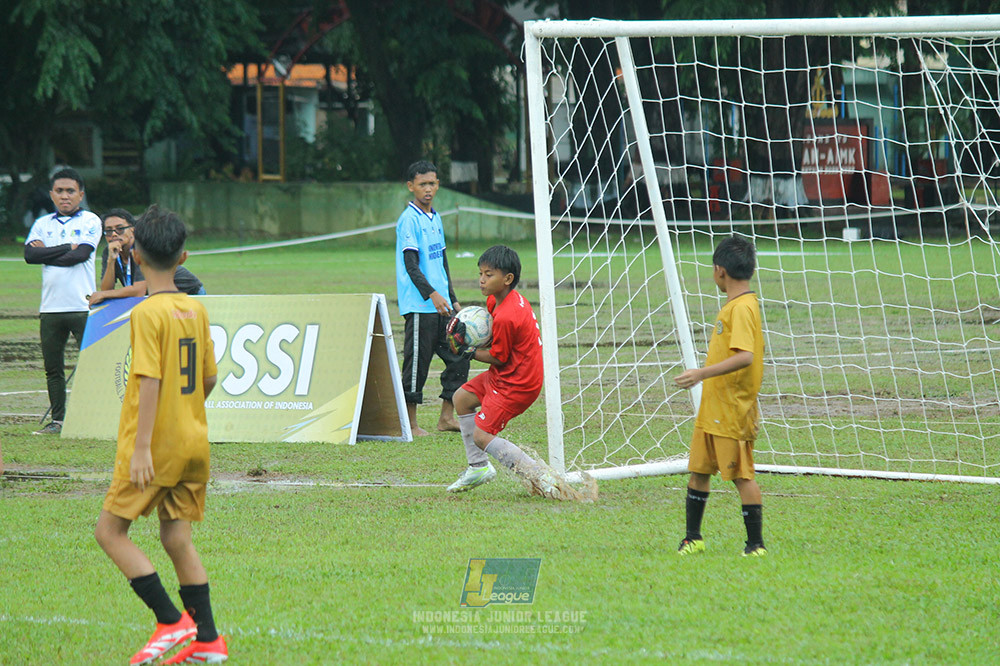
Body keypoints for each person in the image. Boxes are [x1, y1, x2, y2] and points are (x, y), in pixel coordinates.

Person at [93, 205, 228, 664]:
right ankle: (208, 640)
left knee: (110, 532)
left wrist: (144, 446)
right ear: (183, 256)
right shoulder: (196, 307)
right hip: (194, 444)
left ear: (137, 252)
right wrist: (185, 412)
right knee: (176, 539)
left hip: (156, 446)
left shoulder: (147, 313)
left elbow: (148, 380)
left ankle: (172, 621)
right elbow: (209, 379)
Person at [446, 245, 581, 500]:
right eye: (481, 273)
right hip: (507, 374)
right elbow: (495, 341)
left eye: (489, 275)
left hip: (517, 383)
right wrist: (471, 333)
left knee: (481, 435)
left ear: (507, 279)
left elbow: (498, 356)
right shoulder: (498, 301)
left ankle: (540, 477)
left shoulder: (508, 315)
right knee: (461, 399)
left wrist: (468, 351)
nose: (482, 280)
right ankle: (478, 468)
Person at [673, 234, 767, 557]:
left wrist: (700, 374)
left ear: (720, 271)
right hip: (714, 406)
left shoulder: (741, 309)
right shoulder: (736, 305)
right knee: (699, 470)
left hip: (732, 408)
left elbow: (745, 357)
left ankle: (756, 545)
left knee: (741, 474)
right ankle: (693, 538)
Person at [23, 167, 102, 435]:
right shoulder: (42, 224)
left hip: (82, 306)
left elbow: (80, 256)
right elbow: (29, 256)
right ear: (51, 195)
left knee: (91, 366)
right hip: (50, 308)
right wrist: (65, 248)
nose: (65, 196)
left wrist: (47, 253)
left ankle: (91, 417)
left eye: (70, 191)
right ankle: (58, 420)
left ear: (81, 194)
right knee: (53, 369)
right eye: (59, 191)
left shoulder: (91, 220)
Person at [395, 160, 469, 436]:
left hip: (443, 305)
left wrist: (452, 297)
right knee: (417, 364)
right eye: (422, 184)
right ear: (411, 186)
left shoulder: (435, 217)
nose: (428, 189)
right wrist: (433, 295)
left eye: (432, 183)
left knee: (459, 356)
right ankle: (411, 425)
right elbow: (411, 266)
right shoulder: (408, 220)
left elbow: (442, 262)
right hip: (420, 306)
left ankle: (446, 418)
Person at [89, 208, 205, 307]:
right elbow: (106, 289)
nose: (114, 234)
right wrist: (111, 260)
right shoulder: (109, 251)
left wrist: (103, 295)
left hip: (190, 293)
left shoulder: (141, 249)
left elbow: (139, 290)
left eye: (120, 229)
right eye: (108, 231)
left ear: (132, 229)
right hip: (162, 297)